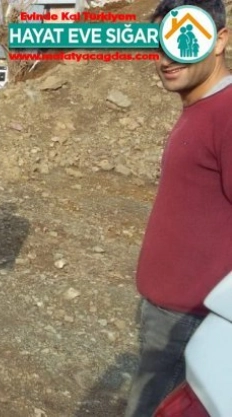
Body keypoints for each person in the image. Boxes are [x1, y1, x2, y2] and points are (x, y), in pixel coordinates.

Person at [125, 1, 231, 416]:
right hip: (173, 314)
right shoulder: (202, 109)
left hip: (192, 319)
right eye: (161, 44)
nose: (167, 58)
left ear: (220, 41)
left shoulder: (226, 114)